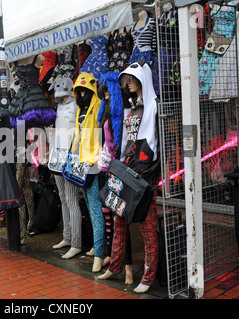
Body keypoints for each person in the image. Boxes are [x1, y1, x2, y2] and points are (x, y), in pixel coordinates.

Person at [98, 59, 160, 294]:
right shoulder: (130, 105)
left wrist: (153, 168)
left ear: (141, 78)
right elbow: (123, 137)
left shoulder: (153, 105)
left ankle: (147, 276)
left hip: (145, 174)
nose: (128, 84)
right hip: (126, 168)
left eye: (132, 79)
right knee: (119, 221)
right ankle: (115, 266)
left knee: (147, 227)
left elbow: (158, 139)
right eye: (125, 81)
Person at [96, 71, 133, 284]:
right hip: (105, 168)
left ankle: (127, 268)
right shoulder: (107, 112)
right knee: (108, 216)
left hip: (117, 169)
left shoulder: (122, 113)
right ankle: (114, 260)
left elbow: (123, 144)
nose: (105, 95)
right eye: (104, 92)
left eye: (108, 91)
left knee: (120, 219)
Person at [70, 72, 105, 272]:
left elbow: (101, 135)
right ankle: (97, 246)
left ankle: (100, 253)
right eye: (79, 90)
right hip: (83, 164)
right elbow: (78, 135)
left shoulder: (98, 104)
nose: (81, 93)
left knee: (96, 209)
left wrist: (96, 157)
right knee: (91, 208)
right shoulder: (81, 109)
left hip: (95, 164)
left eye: (85, 90)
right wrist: (72, 155)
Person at [48, 77, 83, 259]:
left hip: (71, 157)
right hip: (57, 156)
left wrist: (74, 156)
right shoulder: (59, 107)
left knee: (71, 199)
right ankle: (67, 237)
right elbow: (55, 132)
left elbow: (80, 132)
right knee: (62, 198)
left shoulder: (77, 106)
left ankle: (76, 242)